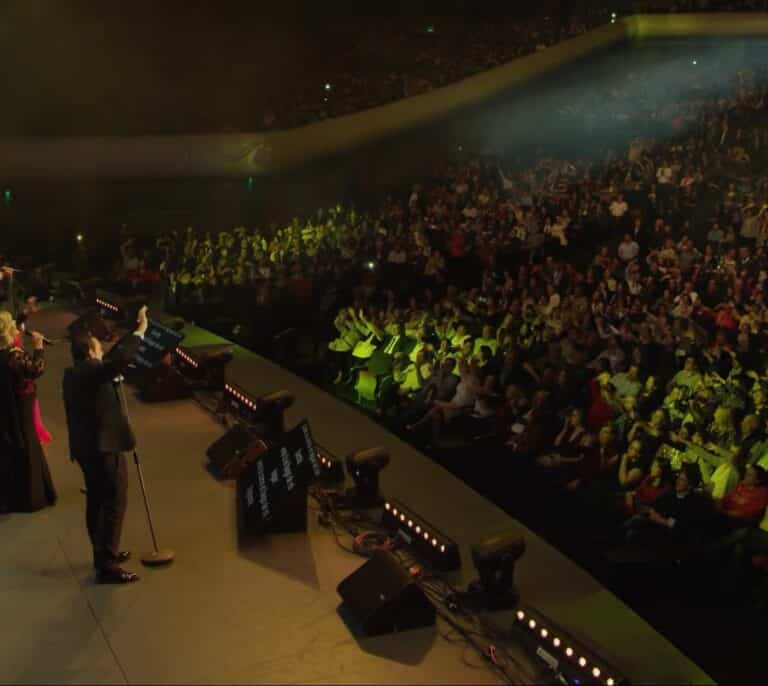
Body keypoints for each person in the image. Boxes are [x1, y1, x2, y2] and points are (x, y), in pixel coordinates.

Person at [62, 305, 149, 583]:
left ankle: (103, 551)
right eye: (98, 348)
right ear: (90, 353)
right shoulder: (91, 371)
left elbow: (110, 359)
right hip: (103, 446)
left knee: (97, 500)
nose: (102, 351)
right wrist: (140, 331)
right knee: (114, 500)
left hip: (88, 447)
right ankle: (107, 564)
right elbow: (117, 361)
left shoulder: (75, 373)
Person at [0, 311, 56, 512]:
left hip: (6, 407)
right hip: (20, 407)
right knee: (27, 447)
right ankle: (31, 496)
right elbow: (36, 369)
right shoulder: (12, 356)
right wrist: (39, 347)